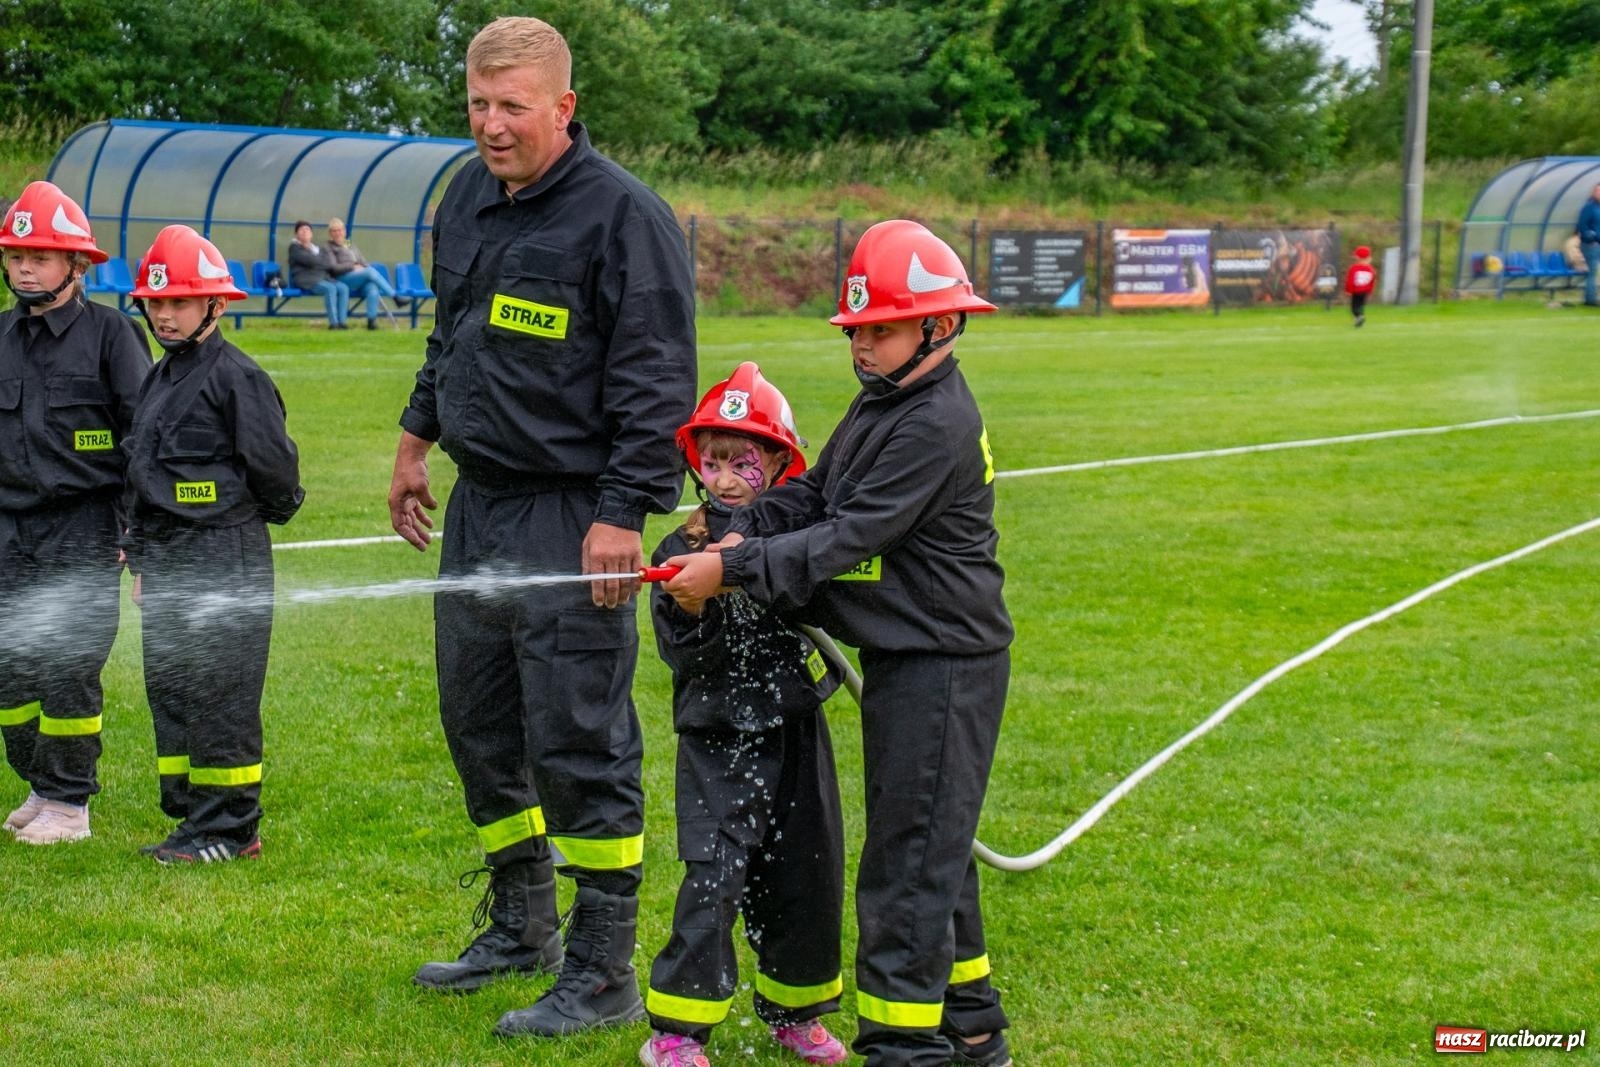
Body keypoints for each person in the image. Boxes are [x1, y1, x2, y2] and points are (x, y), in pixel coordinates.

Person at [387, 15, 696, 1038]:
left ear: (563, 105)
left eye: (513, 106)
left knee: (580, 736)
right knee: (479, 723)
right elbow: (454, 332)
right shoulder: (467, 198)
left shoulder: (624, 219)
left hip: (573, 516)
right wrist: (414, 439)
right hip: (479, 505)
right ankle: (521, 928)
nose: (491, 125)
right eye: (478, 105)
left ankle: (604, 967)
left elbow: (657, 386)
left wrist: (620, 514)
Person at [662, 220, 1014, 1067]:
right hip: (910, 657)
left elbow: (842, 538)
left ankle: (906, 1050)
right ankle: (972, 1028)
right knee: (935, 848)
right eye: (856, 330)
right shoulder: (886, 399)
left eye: (881, 329)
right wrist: (733, 524)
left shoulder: (933, 422)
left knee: (906, 868)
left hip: (945, 667)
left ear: (941, 325)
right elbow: (813, 494)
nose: (862, 346)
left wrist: (735, 568)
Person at [641, 362, 849, 1067]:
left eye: (744, 461)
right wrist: (692, 605)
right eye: (714, 460)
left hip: (793, 728)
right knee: (715, 873)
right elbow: (682, 655)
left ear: (782, 464)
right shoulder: (680, 551)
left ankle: (796, 1010)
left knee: (806, 869)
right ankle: (677, 1029)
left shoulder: (795, 541)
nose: (726, 477)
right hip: (717, 734)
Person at [122, 224, 304, 864]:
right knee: (171, 690)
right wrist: (143, 561)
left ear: (214, 305)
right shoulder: (159, 378)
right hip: (167, 561)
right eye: (156, 302)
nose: (164, 314)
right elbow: (141, 476)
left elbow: (278, 476)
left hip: (226, 557)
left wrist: (238, 520)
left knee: (222, 695)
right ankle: (191, 821)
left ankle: (232, 831)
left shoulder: (239, 380)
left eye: (178, 301)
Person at [0, 180, 152, 845]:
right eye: (14, 255)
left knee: (66, 666)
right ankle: (39, 781)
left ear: (76, 264)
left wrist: (134, 530)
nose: (24, 267)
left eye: (39, 255)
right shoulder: (1, 336)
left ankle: (70, 802)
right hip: (9, 530)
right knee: (12, 670)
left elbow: (148, 437)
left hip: (83, 528)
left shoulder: (112, 336)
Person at [325, 217, 408, 330]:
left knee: (372, 287)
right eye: (334, 231)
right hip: (342, 279)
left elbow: (363, 262)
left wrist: (362, 267)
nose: (338, 233)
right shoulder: (329, 247)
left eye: (340, 230)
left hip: (358, 278)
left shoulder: (348, 244)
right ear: (330, 233)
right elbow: (333, 268)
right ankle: (394, 297)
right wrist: (352, 267)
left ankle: (371, 322)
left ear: (344, 231)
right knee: (369, 272)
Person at [287, 220, 349, 329]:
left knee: (343, 288)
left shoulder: (317, 248)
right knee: (330, 289)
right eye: (302, 230)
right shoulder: (294, 248)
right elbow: (310, 261)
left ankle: (342, 322)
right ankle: (334, 323)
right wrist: (319, 262)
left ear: (312, 234)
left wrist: (318, 262)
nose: (305, 231)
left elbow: (327, 263)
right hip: (306, 280)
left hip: (323, 278)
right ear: (296, 234)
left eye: (307, 229)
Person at [1578, 182, 1600, 307]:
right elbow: (1583, 226)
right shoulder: (1589, 208)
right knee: (1593, 272)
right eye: (1598, 191)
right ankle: (1590, 300)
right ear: (1594, 192)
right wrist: (1591, 239)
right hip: (1591, 245)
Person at [1345, 245, 1376, 327]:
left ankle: (1359, 317)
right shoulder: (1371, 269)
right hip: (1365, 292)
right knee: (1361, 305)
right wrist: (1370, 292)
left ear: (1358, 257)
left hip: (1356, 291)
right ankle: (1359, 319)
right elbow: (1372, 281)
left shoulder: (1354, 268)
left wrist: (1348, 291)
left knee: (1354, 306)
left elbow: (1350, 281)